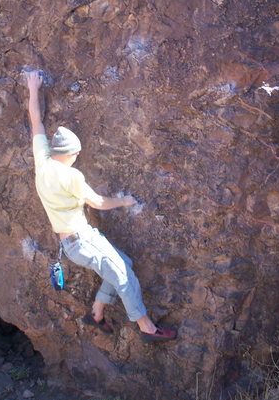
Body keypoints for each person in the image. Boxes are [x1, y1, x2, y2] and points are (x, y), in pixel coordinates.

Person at [25, 70, 177, 343]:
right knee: (122, 274)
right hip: (82, 240)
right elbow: (98, 202)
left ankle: (96, 313)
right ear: (70, 153)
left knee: (124, 263)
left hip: (73, 244)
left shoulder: (42, 162)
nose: (78, 156)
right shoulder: (71, 176)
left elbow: (36, 122)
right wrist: (124, 201)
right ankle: (147, 328)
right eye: (77, 153)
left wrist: (33, 89)